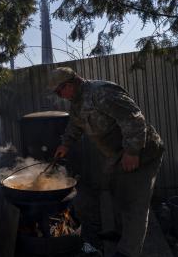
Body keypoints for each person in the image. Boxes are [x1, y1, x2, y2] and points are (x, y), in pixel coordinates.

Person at [49, 67, 164, 257]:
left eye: (58, 91)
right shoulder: (76, 102)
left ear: (68, 85)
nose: (59, 95)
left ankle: (128, 251)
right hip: (116, 155)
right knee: (118, 194)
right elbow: (75, 125)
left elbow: (134, 118)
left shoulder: (101, 92)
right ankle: (120, 234)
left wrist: (132, 151)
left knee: (134, 204)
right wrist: (66, 144)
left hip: (142, 153)